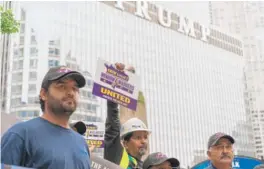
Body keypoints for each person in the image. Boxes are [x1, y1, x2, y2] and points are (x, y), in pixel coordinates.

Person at [1, 66, 91, 169]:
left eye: (75, 88)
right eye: (62, 86)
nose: (71, 93)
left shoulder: (82, 143)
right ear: (43, 94)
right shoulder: (20, 134)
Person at [104, 63, 151, 169]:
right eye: (138, 137)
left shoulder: (144, 166)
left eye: (145, 137)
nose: (143, 141)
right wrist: (116, 80)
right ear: (125, 143)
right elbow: (113, 125)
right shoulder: (117, 157)